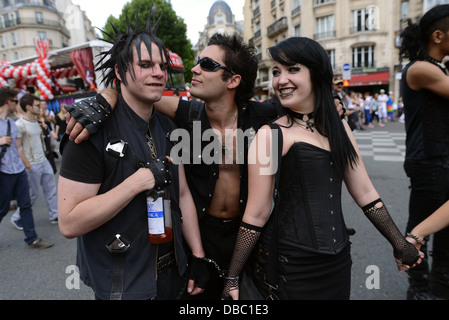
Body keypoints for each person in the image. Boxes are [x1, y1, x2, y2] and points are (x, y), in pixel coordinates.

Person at [63, 33, 344, 299]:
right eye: (196, 62)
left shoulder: (265, 117)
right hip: (201, 234)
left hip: (250, 236)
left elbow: (306, 102)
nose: (194, 69)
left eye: (206, 64)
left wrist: (333, 101)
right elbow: (137, 92)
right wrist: (104, 98)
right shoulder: (187, 115)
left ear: (233, 80)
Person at [221, 37, 422, 300]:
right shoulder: (270, 135)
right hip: (292, 267)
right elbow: (257, 212)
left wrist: (399, 244)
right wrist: (233, 277)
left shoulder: (339, 127)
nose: (281, 80)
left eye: (293, 69)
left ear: (316, 73)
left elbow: (365, 192)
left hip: (337, 264)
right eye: (276, 72)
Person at [57, 7, 206, 300]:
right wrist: (137, 183)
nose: (158, 73)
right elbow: (69, 222)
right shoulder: (89, 130)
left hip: (174, 277)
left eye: (162, 66)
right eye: (146, 64)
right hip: (123, 287)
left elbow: (184, 195)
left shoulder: (169, 125)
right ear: (120, 71)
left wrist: (198, 257)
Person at [399, 4, 449, 300]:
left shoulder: (436, 68)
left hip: (438, 157)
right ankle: (419, 288)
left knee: (442, 228)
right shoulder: (420, 68)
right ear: (439, 36)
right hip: (429, 160)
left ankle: (439, 286)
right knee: (422, 227)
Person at [0, 87, 53, 249]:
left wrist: (24, 166)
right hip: (4, 172)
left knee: (25, 205)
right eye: (16, 102)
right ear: (8, 102)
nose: (18, 105)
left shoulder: (11, 123)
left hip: (18, 170)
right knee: (2, 208)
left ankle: (32, 239)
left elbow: (16, 148)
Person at [12, 94, 58, 225]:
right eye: (37, 105)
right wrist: (27, 164)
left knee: (51, 189)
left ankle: (55, 215)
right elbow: (17, 148)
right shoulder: (19, 124)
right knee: (33, 194)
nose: (41, 107)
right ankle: (16, 217)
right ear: (28, 107)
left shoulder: (37, 121)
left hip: (43, 160)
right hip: (32, 164)